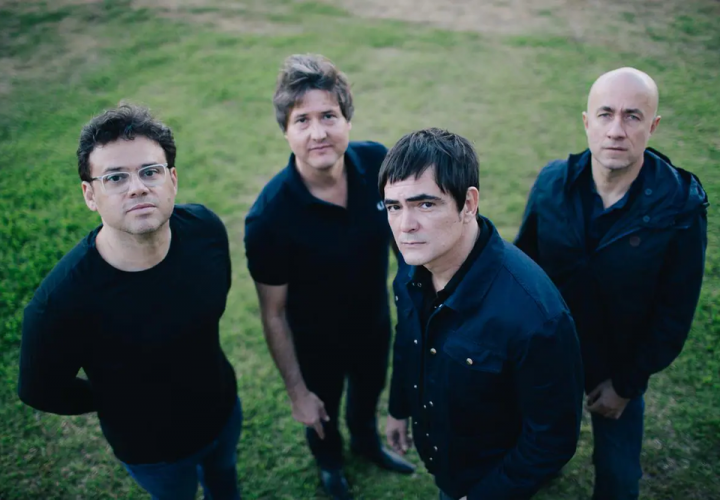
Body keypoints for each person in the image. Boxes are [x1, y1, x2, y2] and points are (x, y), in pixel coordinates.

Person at [18, 104, 242, 500]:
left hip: (223, 410)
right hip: (153, 450)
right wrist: (115, 397)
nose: (137, 187)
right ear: (90, 194)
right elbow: (39, 390)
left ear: (172, 179)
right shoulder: (60, 303)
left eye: (150, 171)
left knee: (225, 482)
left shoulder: (205, 230)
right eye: (116, 177)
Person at [515, 67, 708, 499]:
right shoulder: (552, 183)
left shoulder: (680, 206)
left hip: (620, 363)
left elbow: (675, 311)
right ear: (587, 122)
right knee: (530, 453)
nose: (616, 130)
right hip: (551, 353)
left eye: (632, 116)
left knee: (618, 483)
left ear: (652, 126)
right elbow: (523, 267)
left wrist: (625, 385)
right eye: (605, 114)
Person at [244, 54, 414, 500]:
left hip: (374, 324)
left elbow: (405, 247)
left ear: (347, 120)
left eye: (329, 116)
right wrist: (297, 391)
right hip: (315, 344)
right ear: (286, 131)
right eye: (302, 120)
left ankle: (367, 443)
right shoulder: (268, 219)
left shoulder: (377, 163)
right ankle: (330, 466)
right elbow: (273, 314)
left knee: (367, 395)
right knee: (321, 414)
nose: (318, 132)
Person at [381, 128, 584, 500]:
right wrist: (398, 409)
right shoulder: (413, 266)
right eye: (394, 206)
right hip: (447, 462)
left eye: (425, 204)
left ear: (469, 203)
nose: (405, 225)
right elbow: (409, 342)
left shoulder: (537, 317)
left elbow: (552, 438)